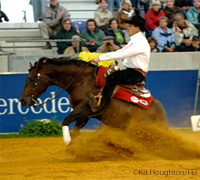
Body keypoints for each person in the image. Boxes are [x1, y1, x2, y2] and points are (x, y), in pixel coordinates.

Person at [88, 15, 150, 112]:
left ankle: (100, 105)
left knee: (112, 77)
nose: (127, 28)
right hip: (132, 70)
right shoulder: (137, 40)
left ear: (137, 27)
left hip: (135, 73)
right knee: (110, 72)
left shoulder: (138, 42)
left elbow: (121, 53)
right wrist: (120, 62)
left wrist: (99, 58)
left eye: (130, 26)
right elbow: (127, 56)